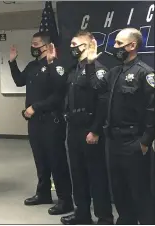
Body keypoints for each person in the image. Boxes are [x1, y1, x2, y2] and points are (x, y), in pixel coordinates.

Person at [87, 27, 155, 224]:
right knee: (119, 190)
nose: (114, 47)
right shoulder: (114, 72)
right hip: (113, 141)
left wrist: (145, 141)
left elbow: (153, 110)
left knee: (140, 191)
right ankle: (126, 221)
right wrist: (90, 63)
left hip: (134, 142)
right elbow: (95, 87)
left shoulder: (145, 74)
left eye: (118, 43)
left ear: (132, 45)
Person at [8, 31, 73, 215]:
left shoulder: (57, 66)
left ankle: (65, 200)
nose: (33, 48)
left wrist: (35, 107)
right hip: (35, 122)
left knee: (57, 161)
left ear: (47, 46)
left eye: (36, 44)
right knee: (41, 160)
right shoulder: (32, 66)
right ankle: (43, 193)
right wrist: (12, 62)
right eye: (32, 44)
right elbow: (19, 81)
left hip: (52, 121)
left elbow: (59, 94)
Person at [60, 30, 113, 225]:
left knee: (96, 175)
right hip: (73, 129)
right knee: (78, 174)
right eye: (71, 45)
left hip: (90, 129)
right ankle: (82, 213)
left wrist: (96, 130)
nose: (72, 48)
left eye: (76, 45)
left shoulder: (97, 69)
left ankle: (104, 216)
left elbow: (103, 101)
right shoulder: (74, 69)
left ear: (89, 46)